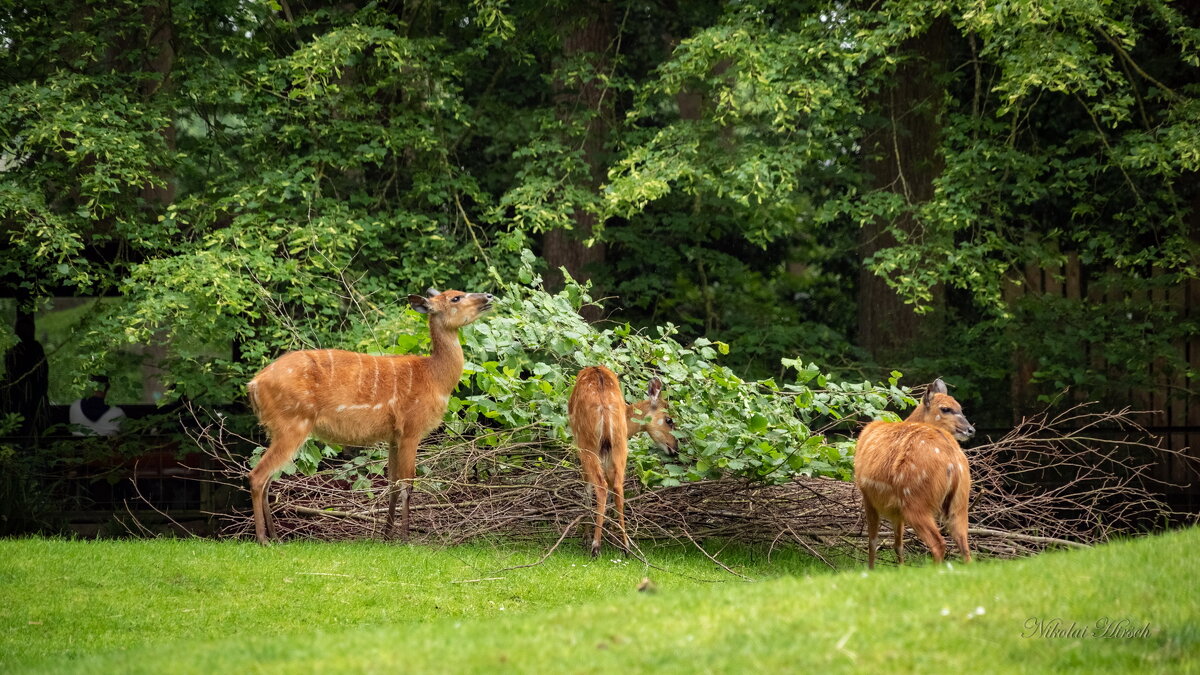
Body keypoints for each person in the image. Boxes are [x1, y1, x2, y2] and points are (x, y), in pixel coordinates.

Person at [1, 311, 50, 438]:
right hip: (23, 399)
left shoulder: (31, 348)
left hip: (27, 399)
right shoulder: (20, 349)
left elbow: (42, 374)